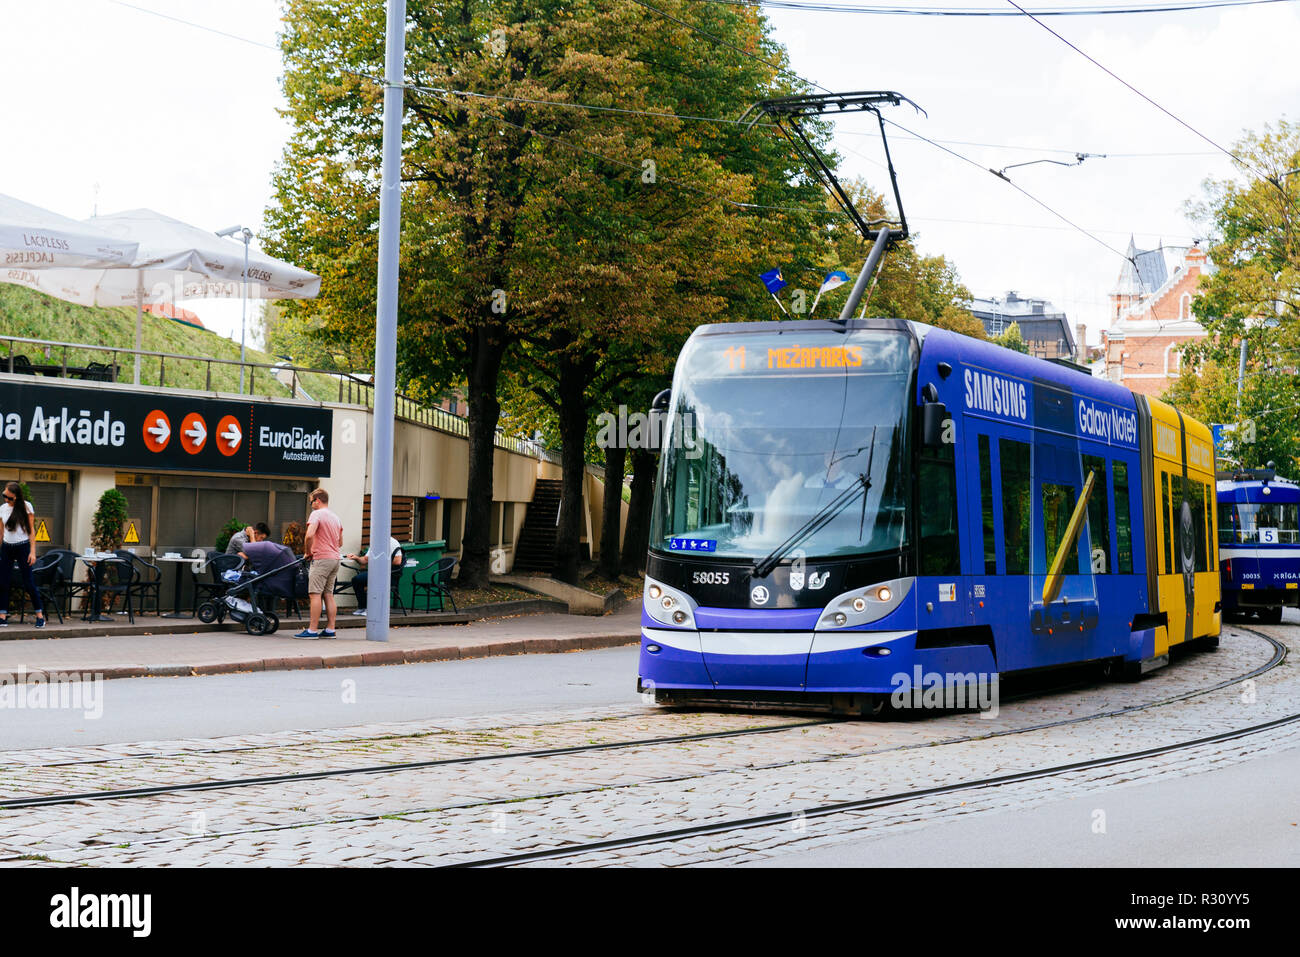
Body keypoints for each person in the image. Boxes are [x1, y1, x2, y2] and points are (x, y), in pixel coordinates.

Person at [297, 487, 343, 639]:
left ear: (317, 501)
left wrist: (308, 552)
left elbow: (309, 536)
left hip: (322, 558)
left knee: (314, 594)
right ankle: (330, 629)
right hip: (335, 559)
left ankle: (312, 630)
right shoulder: (336, 517)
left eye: (311, 502)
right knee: (328, 594)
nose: (311, 505)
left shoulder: (316, 514)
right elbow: (340, 542)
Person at [0, 481, 45, 628]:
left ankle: (39, 616)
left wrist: (32, 552)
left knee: (29, 582)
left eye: (10, 498)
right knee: (3, 582)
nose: (7, 500)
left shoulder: (26, 506)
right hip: (7, 547)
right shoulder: (2, 509)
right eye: (4, 496)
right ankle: (2, 615)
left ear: (17, 498)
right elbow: (1, 532)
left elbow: (31, 531)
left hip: (23, 547)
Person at [238, 522, 298, 610]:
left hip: (248, 570)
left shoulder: (249, 540)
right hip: (236, 570)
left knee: (266, 581)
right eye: (261, 538)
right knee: (262, 583)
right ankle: (259, 609)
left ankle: (265, 609)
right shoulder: (239, 539)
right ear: (255, 533)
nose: (261, 541)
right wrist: (252, 536)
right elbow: (251, 551)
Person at [345, 535, 403, 616]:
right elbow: (365, 560)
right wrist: (356, 558)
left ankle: (372, 609)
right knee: (356, 580)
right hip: (377, 573)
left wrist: (379, 560)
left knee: (373, 580)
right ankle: (363, 606)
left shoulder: (392, 542)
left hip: (390, 575)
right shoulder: (375, 542)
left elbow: (397, 561)